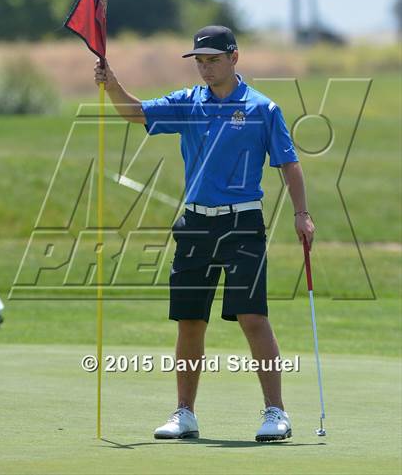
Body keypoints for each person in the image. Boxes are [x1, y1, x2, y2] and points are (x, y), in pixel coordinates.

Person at [94, 25, 315, 442]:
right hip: (195, 224)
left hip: (242, 223)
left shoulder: (261, 108)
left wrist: (301, 213)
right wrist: (112, 83)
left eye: (213, 59)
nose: (205, 68)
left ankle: (275, 412)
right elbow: (136, 112)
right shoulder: (187, 103)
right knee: (190, 321)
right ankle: (184, 414)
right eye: (199, 60)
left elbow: (289, 163)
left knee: (252, 317)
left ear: (234, 57)